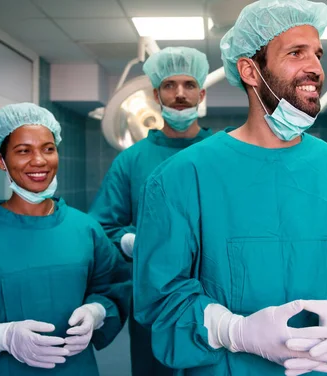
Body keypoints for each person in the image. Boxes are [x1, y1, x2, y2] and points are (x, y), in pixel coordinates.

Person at [133, 1, 327, 375]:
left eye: (317, 54)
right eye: (296, 53)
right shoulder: (182, 177)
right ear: (251, 71)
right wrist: (234, 331)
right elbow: (161, 295)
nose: (315, 67)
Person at [0, 103, 131, 376]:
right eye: (23, 151)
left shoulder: (85, 229)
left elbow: (114, 288)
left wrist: (97, 312)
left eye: (48, 148)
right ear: (1, 160)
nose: (39, 160)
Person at [89, 46, 212, 376]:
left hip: (215, 298)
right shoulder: (131, 160)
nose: (180, 94)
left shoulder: (222, 156)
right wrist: (130, 241)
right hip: (154, 301)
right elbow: (101, 227)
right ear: (156, 94)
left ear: (201, 93)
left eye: (188, 85)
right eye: (170, 86)